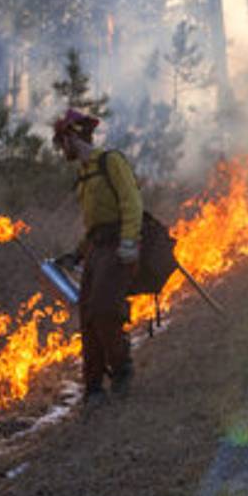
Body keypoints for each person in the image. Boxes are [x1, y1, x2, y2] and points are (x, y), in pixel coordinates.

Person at [52, 109, 143, 410]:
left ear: (73, 136)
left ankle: (122, 370)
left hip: (118, 246)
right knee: (88, 316)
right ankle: (93, 388)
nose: (60, 148)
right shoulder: (84, 174)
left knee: (105, 308)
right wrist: (76, 253)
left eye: (61, 141)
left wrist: (130, 242)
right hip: (95, 249)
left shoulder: (110, 162)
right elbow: (93, 224)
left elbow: (132, 202)